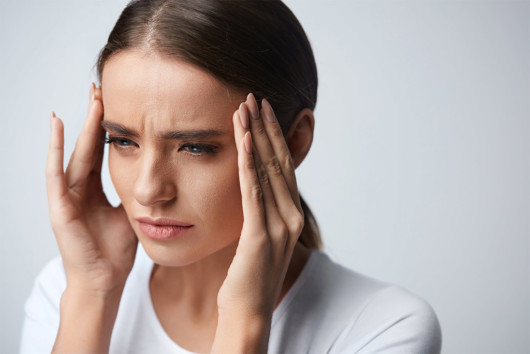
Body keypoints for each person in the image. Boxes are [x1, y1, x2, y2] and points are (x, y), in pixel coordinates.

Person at [21, 0, 442, 353]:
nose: (149, 190)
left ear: (293, 143)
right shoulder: (66, 290)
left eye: (196, 147)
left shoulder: (382, 327)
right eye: (123, 141)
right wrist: (93, 293)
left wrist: (245, 320)